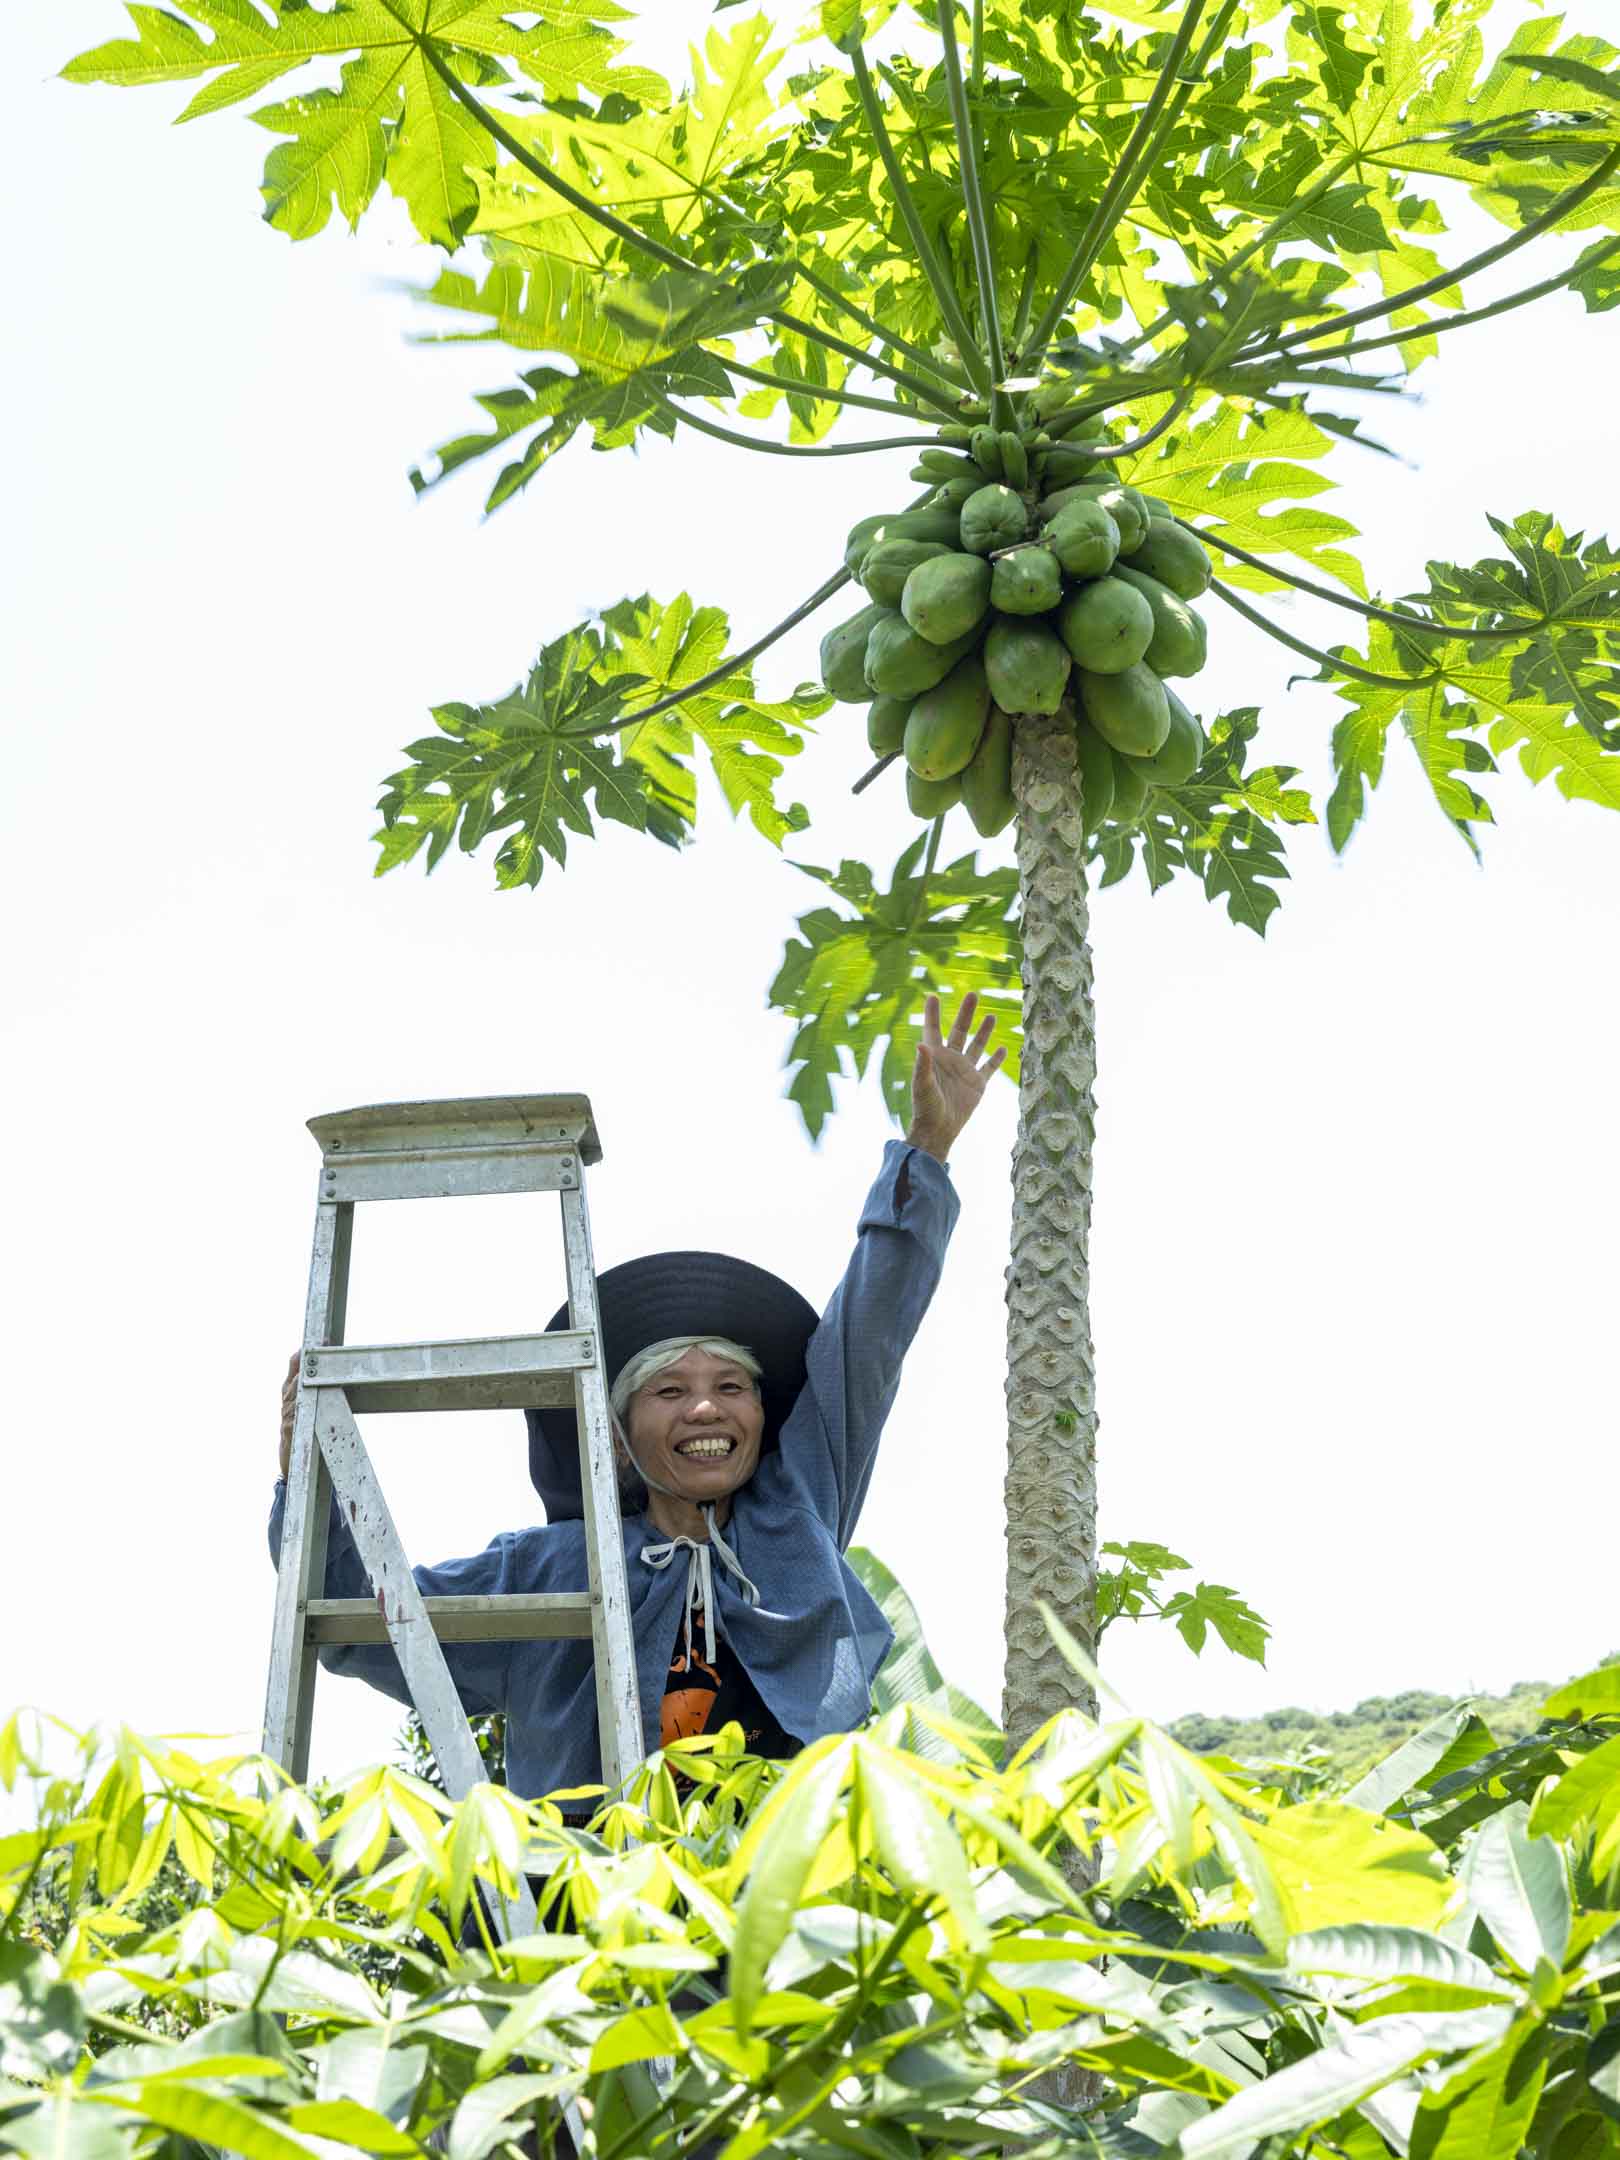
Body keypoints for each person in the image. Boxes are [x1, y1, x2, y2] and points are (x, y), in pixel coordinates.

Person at [270, 993, 1004, 1802]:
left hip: (784, 1900)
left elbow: (867, 1342)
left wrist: (927, 1148)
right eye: (670, 1391)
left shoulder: (797, 1511)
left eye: (731, 1388)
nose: (705, 1410)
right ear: (617, 1438)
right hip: (594, 1905)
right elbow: (369, 1624)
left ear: (762, 1417)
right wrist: (308, 1476)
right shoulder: (550, 1569)